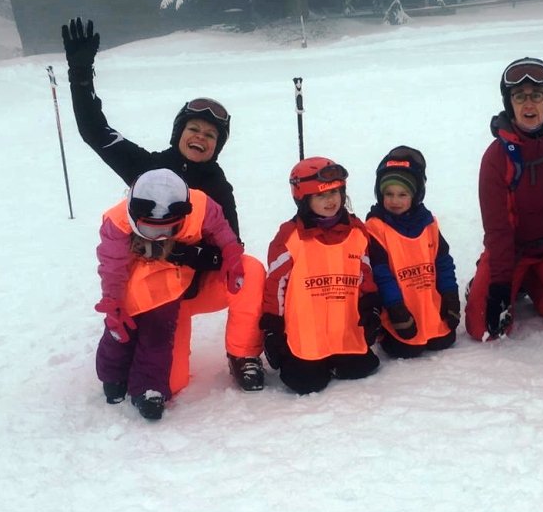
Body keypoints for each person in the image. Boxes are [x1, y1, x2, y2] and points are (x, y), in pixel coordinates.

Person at [62, 17, 266, 394]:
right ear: (179, 133)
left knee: (250, 270)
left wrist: (190, 257)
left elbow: (230, 248)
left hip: (195, 285)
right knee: (171, 385)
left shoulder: (219, 186)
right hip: (158, 297)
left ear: (217, 145)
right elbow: (95, 131)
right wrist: (80, 74)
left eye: (210, 135)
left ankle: (243, 354)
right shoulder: (148, 169)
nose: (201, 138)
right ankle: (133, 348)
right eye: (194, 130)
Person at [95, 169, 247, 420]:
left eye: (170, 228)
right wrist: (112, 300)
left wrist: (231, 252)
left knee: (157, 332)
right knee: (121, 328)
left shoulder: (200, 206)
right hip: (131, 274)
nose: (162, 235)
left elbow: (221, 229)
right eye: (153, 230)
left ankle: (148, 388)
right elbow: (112, 265)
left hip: (170, 273)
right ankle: (113, 376)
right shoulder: (116, 222)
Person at [466, 57, 543, 341]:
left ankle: (534, 282)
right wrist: (498, 284)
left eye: (536, 96)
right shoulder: (496, 158)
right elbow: (497, 230)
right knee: (483, 328)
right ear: (509, 104)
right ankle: (505, 281)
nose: (528, 105)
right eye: (519, 97)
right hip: (514, 253)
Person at [260, 157, 383, 394]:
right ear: (303, 200)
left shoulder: (357, 232)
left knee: (363, 368)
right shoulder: (290, 236)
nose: (331, 200)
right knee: (306, 383)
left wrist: (371, 307)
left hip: (345, 333)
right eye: (321, 195)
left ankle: (337, 357)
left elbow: (365, 275)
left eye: (336, 192)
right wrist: (273, 327)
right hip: (306, 339)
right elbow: (275, 285)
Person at [365, 146, 462, 358]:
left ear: (416, 195)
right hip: (398, 306)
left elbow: (443, 262)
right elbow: (381, 274)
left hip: (426, 303)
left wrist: (450, 295)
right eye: (388, 194)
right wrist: (395, 308)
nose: (395, 200)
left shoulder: (428, 224)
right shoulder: (376, 227)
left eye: (403, 194)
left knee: (445, 340)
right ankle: (386, 330)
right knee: (407, 348)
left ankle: (431, 320)